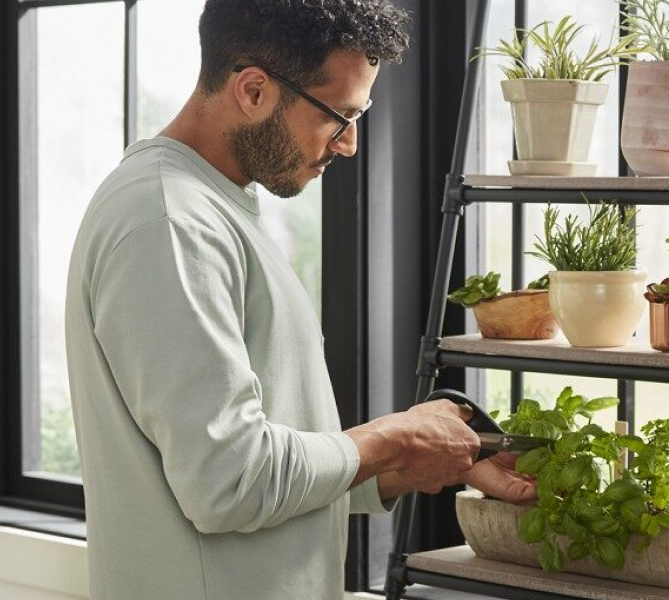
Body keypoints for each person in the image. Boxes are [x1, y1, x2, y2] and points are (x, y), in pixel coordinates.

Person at [64, 1, 537, 599]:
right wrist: (396, 438)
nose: (349, 145)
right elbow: (229, 482)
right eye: (339, 116)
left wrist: (396, 466)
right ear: (254, 90)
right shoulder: (171, 223)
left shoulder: (212, 206)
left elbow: (255, 457)